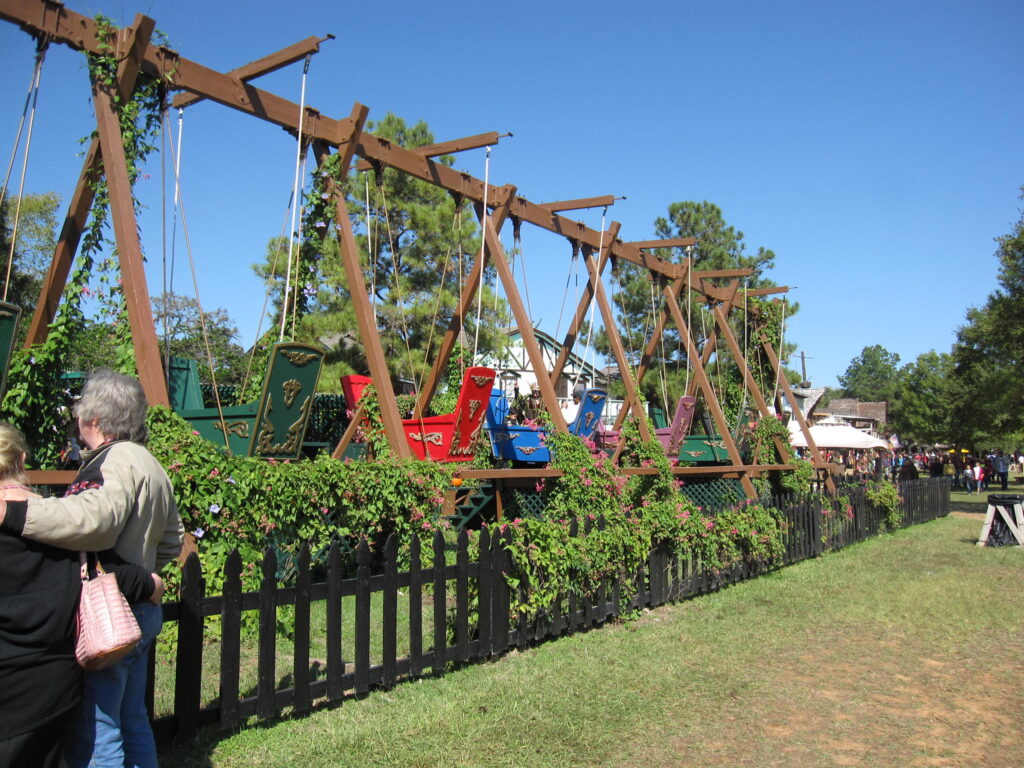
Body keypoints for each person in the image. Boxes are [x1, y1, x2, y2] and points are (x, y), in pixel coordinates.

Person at [0, 371, 183, 768]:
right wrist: (146, 571)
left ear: (95, 420)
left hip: (109, 616)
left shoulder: (111, 461)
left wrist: (14, 511)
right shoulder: (150, 462)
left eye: (79, 412)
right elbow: (172, 539)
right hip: (143, 611)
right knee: (133, 719)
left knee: (98, 730)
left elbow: (94, 519)